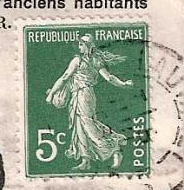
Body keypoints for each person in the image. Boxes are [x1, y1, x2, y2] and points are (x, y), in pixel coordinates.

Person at [45, 33, 133, 171]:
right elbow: (109, 77)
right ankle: (85, 160)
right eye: (79, 44)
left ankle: (114, 150)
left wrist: (51, 94)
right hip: (82, 94)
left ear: (88, 46)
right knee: (80, 126)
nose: (79, 47)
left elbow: (65, 77)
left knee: (88, 124)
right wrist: (123, 84)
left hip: (83, 95)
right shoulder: (96, 60)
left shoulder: (78, 60)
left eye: (81, 44)